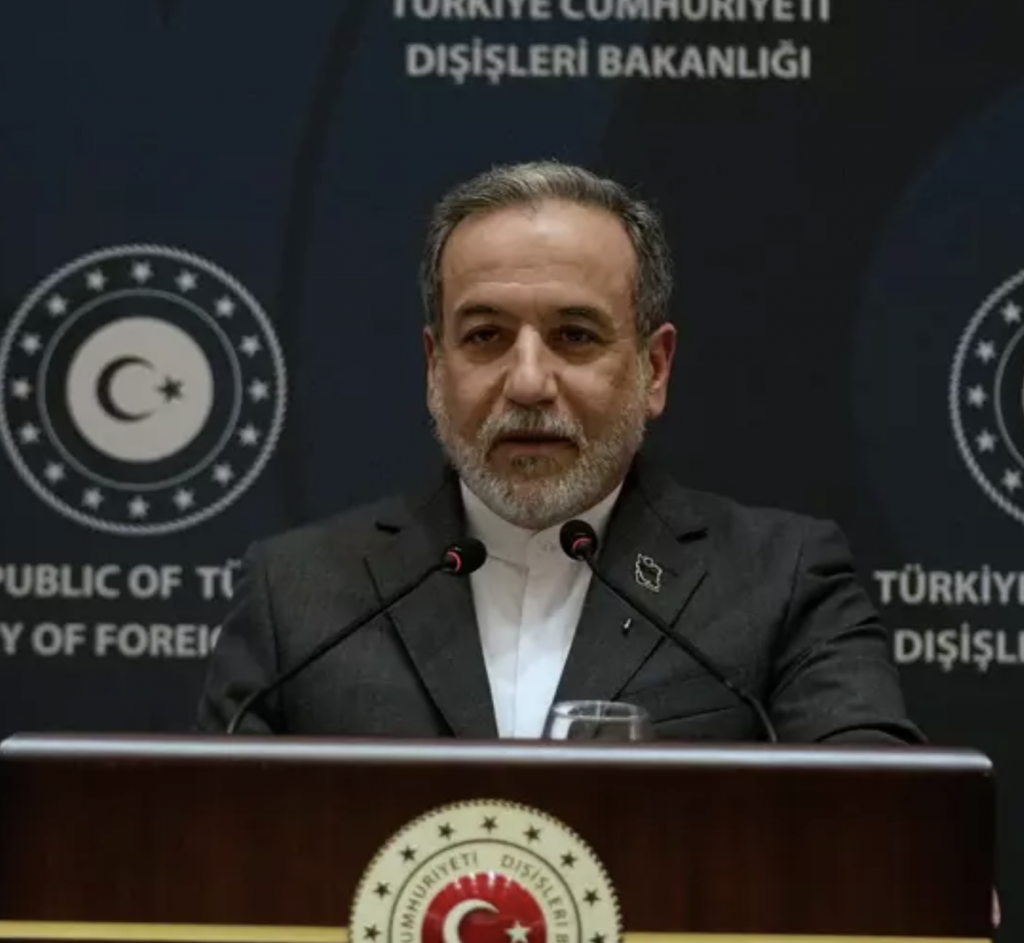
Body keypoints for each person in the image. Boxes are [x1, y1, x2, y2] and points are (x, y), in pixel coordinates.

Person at [195, 160, 923, 745]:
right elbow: (206, 845)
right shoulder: (300, 596)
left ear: (653, 370)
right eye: (485, 336)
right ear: (434, 367)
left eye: (575, 336)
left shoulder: (780, 581)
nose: (528, 382)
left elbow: (878, 821)